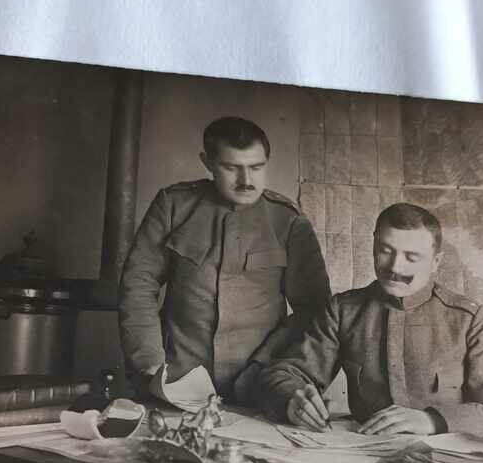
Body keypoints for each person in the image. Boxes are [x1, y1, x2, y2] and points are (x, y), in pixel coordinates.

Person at [257, 202, 483, 437]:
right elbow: (284, 374)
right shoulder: (344, 310)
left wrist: (431, 421)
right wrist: (292, 400)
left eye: (411, 257)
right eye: (386, 250)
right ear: (373, 248)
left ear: (436, 262)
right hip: (365, 457)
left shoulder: (468, 320)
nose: (395, 267)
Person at [118, 116, 331, 402]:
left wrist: (269, 366)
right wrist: (151, 366)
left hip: (260, 386)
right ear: (207, 162)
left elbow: (314, 311)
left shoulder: (288, 222)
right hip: (178, 383)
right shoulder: (174, 206)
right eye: (231, 168)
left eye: (256, 167)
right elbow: (138, 287)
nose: (246, 181)